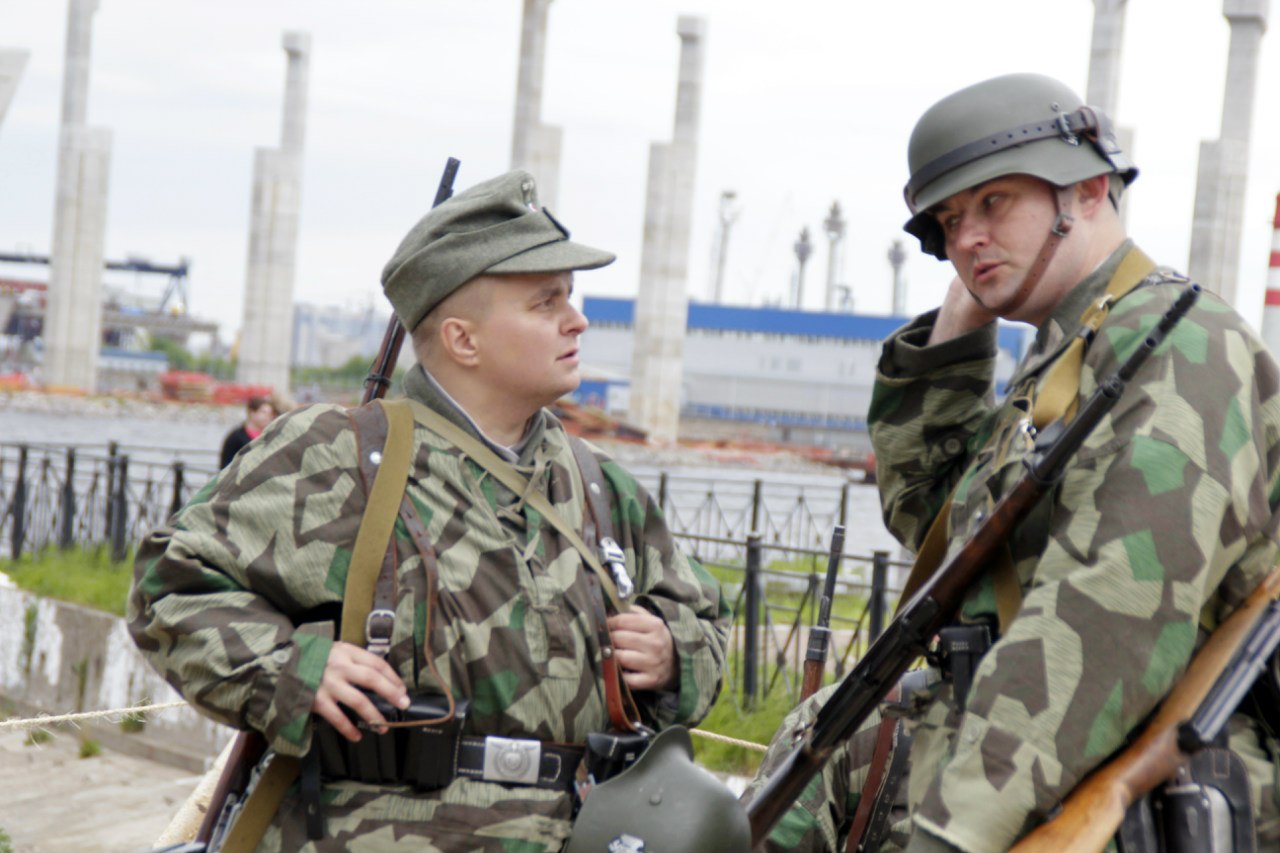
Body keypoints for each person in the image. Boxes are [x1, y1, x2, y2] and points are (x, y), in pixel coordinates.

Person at [741, 72, 1280, 852]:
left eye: (994, 202)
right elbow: (937, 529)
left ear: (1086, 189)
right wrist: (959, 334)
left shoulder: (1180, 346)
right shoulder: (1070, 356)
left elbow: (1103, 619)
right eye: (949, 222)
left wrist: (954, 834)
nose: (966, 239)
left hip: (1119, 798)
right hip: (1027, 784)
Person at [129, 170, 731, 852]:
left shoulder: (602, 486)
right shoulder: (342, 456)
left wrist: (673, 653)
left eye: (570, 296)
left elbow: (705, 620)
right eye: (545, 302)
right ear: (463, 339)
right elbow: (169, 582)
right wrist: (294, 669)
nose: (577, 319)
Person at [219, 395, 279, 468]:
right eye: (263, 412)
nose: (268, 416)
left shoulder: (270, 436)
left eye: (270, 414)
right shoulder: (236, 437)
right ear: (252, 413)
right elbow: (225, 463)